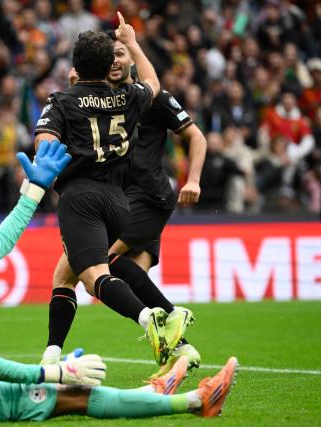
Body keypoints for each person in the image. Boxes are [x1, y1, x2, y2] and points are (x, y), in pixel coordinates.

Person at [0, 139, 238, 424]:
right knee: (75, 394)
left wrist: (34, 189)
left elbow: (2, 242)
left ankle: (155, 391)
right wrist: (60, 373)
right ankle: (197, 400)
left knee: (60, 385)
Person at [41, 35, 207, 379]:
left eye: (124, 53)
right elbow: (148, 84)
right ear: (104, 66)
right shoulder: (128, 97)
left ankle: (164, 319)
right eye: (112, 55)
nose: (118, 60)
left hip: (131, 196)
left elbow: (45, 147)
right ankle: (175, 346)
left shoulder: (70, 100)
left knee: (94, 273)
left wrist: (193, 179)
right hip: (120, 198)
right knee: (76, 272)